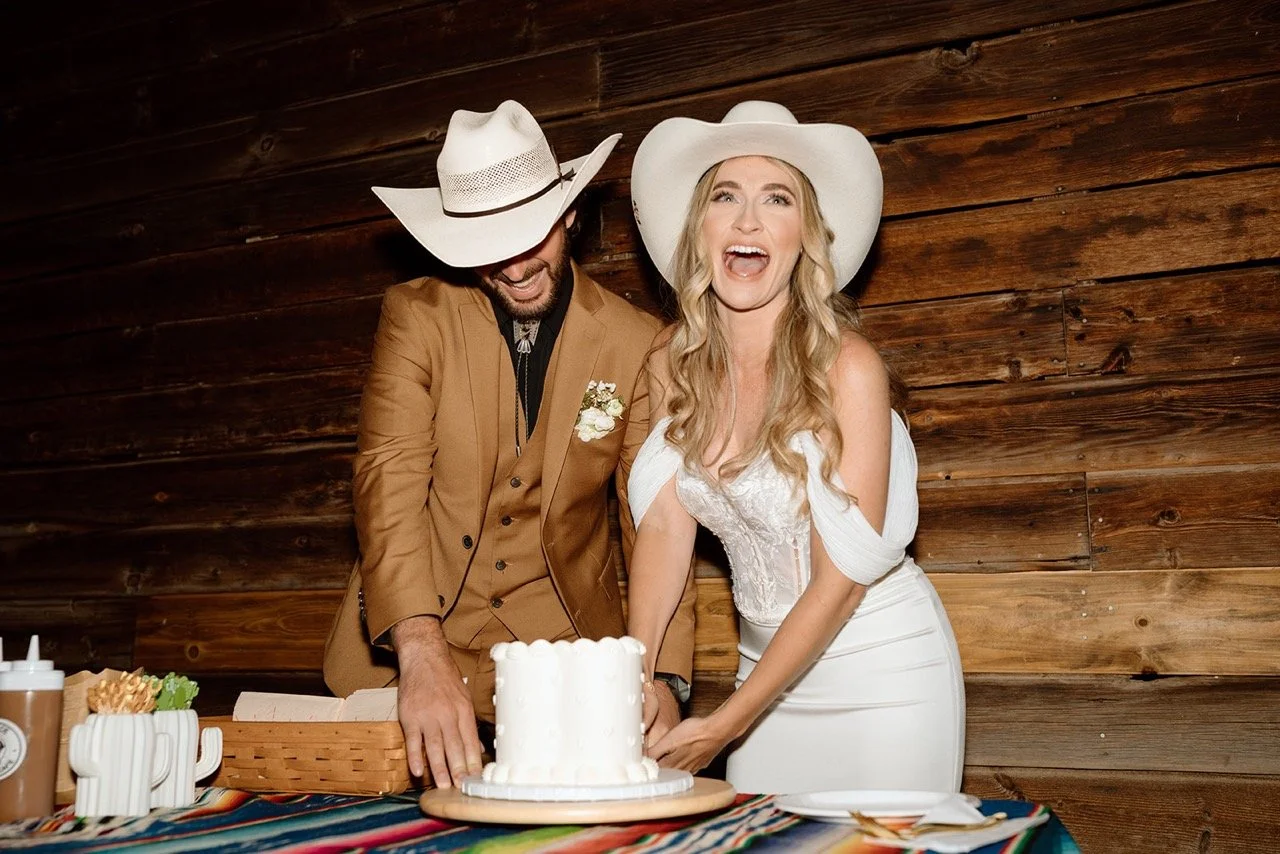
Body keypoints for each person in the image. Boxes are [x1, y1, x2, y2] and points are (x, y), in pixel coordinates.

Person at [322, 100, 697, 791]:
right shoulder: (416, 319)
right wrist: (420, 652)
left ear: (570, 215)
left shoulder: (635, 342)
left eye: (533, 232)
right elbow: (389, 479)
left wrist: (662, 676)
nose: (516, 264)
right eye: (490, 242)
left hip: (566, 673)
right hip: (416, 652)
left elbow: (657, 519)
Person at [624, 101, 965, 795]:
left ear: (805, 236)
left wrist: (727, 727)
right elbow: (663, 527)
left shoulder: (850, 369)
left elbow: (838, 583)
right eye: (727, 196)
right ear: (700, 229)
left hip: (884, 678)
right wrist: (639, 675)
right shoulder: (672, 359)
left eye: (776, 200)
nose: (748, 220)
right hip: (763, 673)